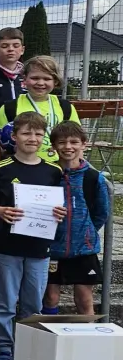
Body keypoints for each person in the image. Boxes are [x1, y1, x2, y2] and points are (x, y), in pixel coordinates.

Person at [0, 112, 68, 360]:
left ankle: (29, 352)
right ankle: (4, 353)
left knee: (33, 304)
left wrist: (60, 213)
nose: (32, 138)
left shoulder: (54, 171)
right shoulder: (1, 169)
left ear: (44, 138)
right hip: (7, 246)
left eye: (38, 134)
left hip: (39, 249)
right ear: (15, 136)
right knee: (5, 303)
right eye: (26, 133)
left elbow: (60, 206)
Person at [43, 120, 110, 318]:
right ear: (54, 146)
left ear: (83, 144)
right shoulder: (48, 175)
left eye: (74, 142)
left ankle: (87, 343)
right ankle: (50, 341)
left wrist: (86, 232)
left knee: (84, 300)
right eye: (62, 142)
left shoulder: (93, 177)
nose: (68, 147)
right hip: (52, 247)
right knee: (51, 298)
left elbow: (101, 213)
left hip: (84, 249)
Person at [0, 55, 77, 165]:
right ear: (25, 78)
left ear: (55, 81)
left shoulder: (65, 107)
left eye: (47, 79)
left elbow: (76, 140)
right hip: (21, 167)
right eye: (35, 78)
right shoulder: (10, 108)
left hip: (59, 166)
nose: (40, 83)